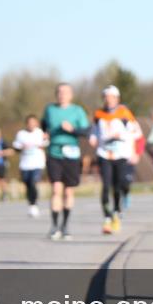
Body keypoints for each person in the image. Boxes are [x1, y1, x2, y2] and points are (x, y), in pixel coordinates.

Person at [89, 85, 141, 235]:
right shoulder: (98, 114)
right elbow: (94, 132)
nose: (108, 100)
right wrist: (92, 139)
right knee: (106, 186)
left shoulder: (125, 113)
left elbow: (137, 134)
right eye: (106, 97)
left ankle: (117, 212)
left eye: (112, 97)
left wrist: (135, 152)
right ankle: (107, 218)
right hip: (104, 154)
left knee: (118, 186)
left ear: (117, 99)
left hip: (122, 155)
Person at [41, 83, 90, 240]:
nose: (62, 95)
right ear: (56, 94)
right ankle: (54, 226)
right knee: (56, 189)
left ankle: (65, 225)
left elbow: (87, 131)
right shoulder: (50, 109)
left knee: (68, 191)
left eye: (65, 92)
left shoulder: (77, 111)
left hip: (71, 153)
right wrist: (45, 133)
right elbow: (43, 124)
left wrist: (72, 130)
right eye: (60, 92)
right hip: (54, 152)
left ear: (71, 95)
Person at [13, 115, 48, 218]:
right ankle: (31, 203)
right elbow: (16, 147)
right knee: (27, 185)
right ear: (26, 124)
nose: (31, 125)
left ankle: (34, 204)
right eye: (29, 123)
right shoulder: (21, 134)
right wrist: (22, 147)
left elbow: (46, 143)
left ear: (36, 123)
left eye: (34, 122)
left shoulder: (40, 133)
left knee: (33, 182)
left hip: (37, 163)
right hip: (25, 164)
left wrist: (44, 141)